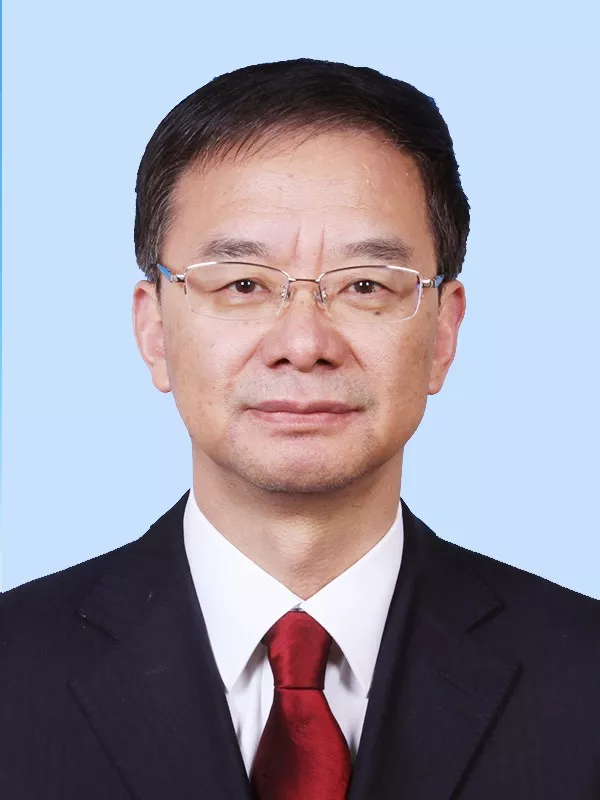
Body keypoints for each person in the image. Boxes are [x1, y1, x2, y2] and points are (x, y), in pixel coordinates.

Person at [1, 58, 598, 800]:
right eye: (243, 284)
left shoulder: (583, 676)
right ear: (153, 330)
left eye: (367, 285)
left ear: (443, 334)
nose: (304, 342)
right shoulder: (13, 669)